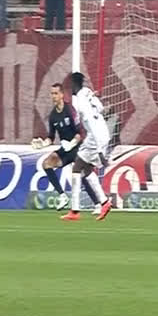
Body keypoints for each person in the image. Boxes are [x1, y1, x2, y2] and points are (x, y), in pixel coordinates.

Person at [31, 83, 101, 214]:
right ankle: (62, 196)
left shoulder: (70, 110)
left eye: (56, 93)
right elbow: (51, 137)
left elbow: (80, 133)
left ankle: (98, 204)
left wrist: (72, 143)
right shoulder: (53, 116)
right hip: (66, 149)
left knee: (83, 175)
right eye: (52, 94)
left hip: (78, 147)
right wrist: (43, 144)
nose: (53, 96)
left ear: (62, 95)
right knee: (46, 164)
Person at [61, 72, 113, 222]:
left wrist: (100, 151)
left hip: (96, 137)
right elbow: (101, 108)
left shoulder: (81, 103)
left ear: (74, 84)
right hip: (102, 132)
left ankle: (75, 210)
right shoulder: (87, 92)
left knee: (77, 168)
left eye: (70, 85)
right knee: (87, 169)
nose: (69, 88)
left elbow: (90, 122)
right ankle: (104, 202)